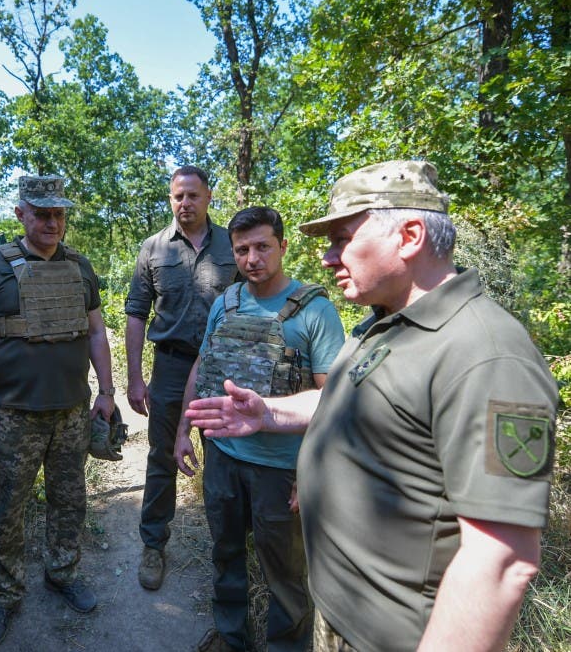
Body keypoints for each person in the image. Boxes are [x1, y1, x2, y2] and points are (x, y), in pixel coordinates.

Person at [186, 161, 559, 652]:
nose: (328, 258)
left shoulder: (488, 355)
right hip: (342, 614)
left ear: (409, 236)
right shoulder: (386, 326)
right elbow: (342, 400)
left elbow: (502, 561)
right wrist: (270, 414)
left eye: (342, 239)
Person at [174, 207, 344, 652]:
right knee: (225, 553)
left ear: (283, 247)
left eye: (263, 247)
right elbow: (202, 365)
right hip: (223, 458)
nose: (252, 258)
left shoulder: (315, 311)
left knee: (284, 574)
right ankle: (231, 638)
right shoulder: (225, 303)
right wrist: (182, 430)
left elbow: (334, 400)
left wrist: (311, 471)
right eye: (242, 249)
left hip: (281, 469)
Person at [0, 175, 116, 648]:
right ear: (20, 214)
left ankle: (62, 572)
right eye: (41, 214)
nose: (51, 223)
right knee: (9, 508)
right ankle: (3, 594)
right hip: (14, 414)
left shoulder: (80, 267)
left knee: (70, 500)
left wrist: (106, 392)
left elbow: (95, 333)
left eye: (58, 214)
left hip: (71, 410)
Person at [125, 165, 238, 590]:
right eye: (178, 196)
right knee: (162, 456)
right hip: (171, 366)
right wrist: (135, 379)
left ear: (208, 197)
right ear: (171, 200)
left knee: (225, 457)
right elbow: (136, 313)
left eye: (193, 195)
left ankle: (229, 549)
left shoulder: (233, 244)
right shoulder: (154, 248)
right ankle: (153, 543)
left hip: (223, 367)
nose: (185, 203)